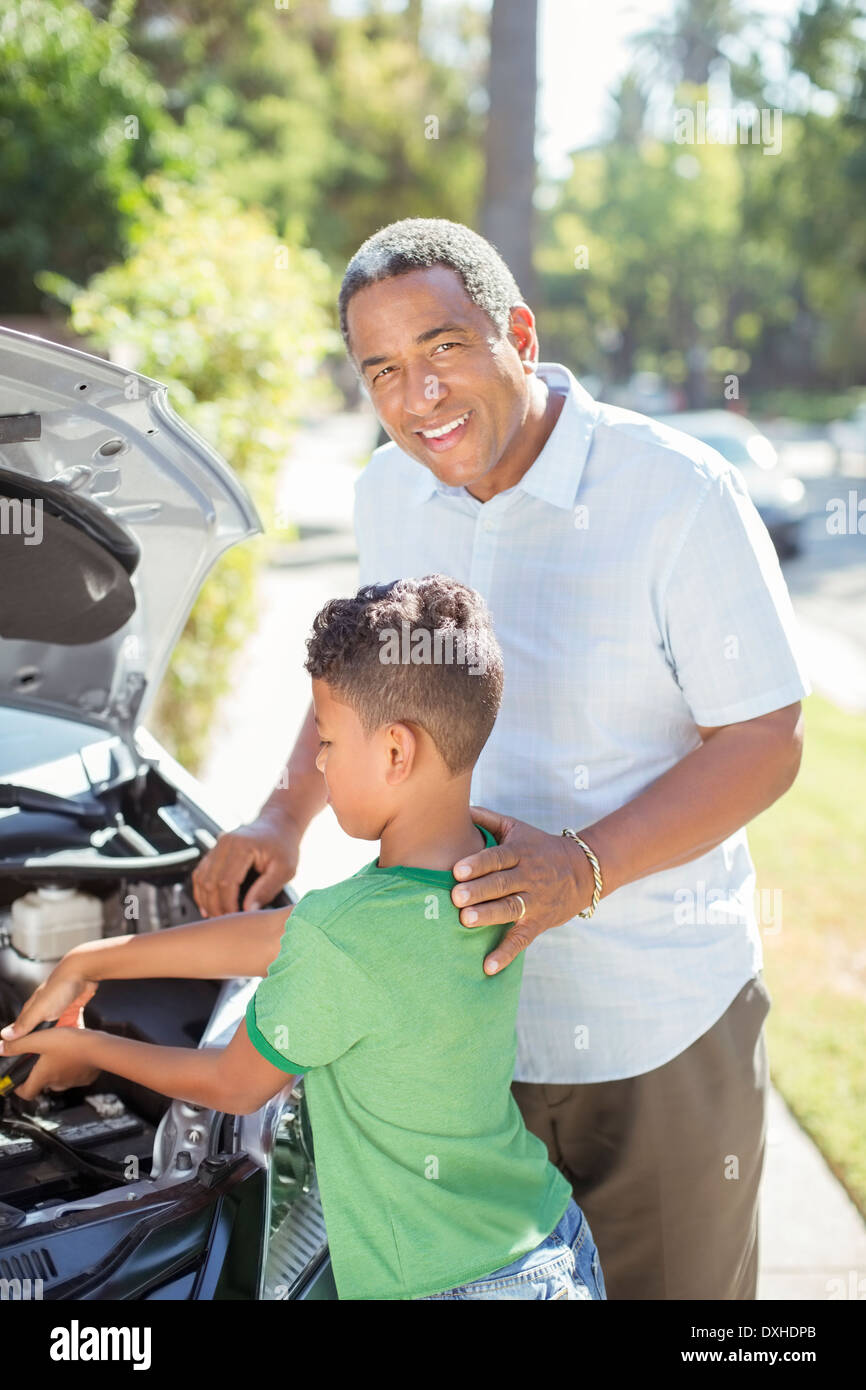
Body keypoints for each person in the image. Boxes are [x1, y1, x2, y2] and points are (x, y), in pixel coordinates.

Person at [191, 218, 811, 1300]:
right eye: (381, 369)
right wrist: (282, 815)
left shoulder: (674, 492)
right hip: (460, 1034)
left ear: (515, 333)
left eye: (442, 350)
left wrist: (584, 864)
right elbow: (356, 675)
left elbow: (762, 740)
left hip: (650, 1021)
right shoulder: (386, 490)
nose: (416, 395)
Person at [0, 575, 606, 1303]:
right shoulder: (487, 863)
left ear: (394, 753)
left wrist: (83, 1048)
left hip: (452, 1285)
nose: (315, 763)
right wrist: (93, 957)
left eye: (325, 740)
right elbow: (299, 934)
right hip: (550, 1242)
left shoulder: (347, 931)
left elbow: (233, 1082)